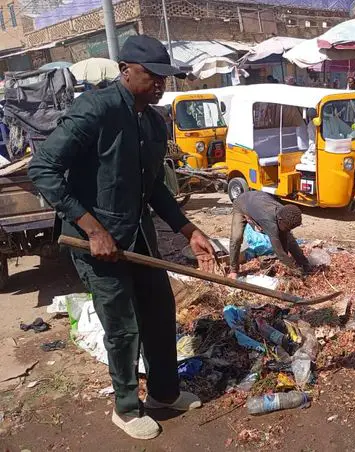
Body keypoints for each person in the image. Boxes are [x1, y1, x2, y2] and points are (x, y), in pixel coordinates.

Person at [28, 35, 216, 440]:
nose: (161, 85)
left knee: (160, 314)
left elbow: (155, 188)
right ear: (125, 70)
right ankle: (127, 409)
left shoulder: (152, 121)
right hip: (96, 243)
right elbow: (42, 169)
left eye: (166, 78)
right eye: (153, 76)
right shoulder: (95, 110)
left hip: (139, 237)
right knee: (123, 325)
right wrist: (92, 228)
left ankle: (165, 393)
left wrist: (189, 229)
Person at [227, 191, 311, 279]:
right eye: (287, 228)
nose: (288, 230)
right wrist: (296, 271)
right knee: (236, 238)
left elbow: (285, 239)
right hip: (241, 204)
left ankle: (304, 263)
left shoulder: (285, 212)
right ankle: (233, 270)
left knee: (289, 237)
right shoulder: (269, 222)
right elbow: (280, 254)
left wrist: (304, 265)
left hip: (257, 199)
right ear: (280, 220)